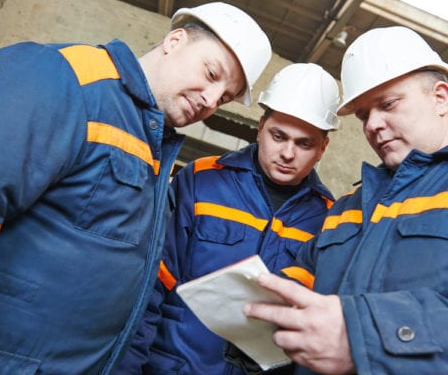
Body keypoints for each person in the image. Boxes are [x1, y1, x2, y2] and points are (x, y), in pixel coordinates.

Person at [240, 26, 448, 374]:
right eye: (363, 115)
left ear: (441, 97)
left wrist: (364, 337)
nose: (373, 125)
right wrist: (260, 318)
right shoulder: (348, 206)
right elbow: (308, 276)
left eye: (387, 104)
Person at [0, 1, 271, 374]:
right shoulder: (65, 79)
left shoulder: (151, 143)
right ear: (175, 40)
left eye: (225, 97)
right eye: (212, 73)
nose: (211, 101)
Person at [116, 63, 341, 374]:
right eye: (278, 135)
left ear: (322, 148)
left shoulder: (330, 220)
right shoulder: (201, 179)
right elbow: (151, 285)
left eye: (304, 143)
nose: (288, 153)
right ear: (260, 127)